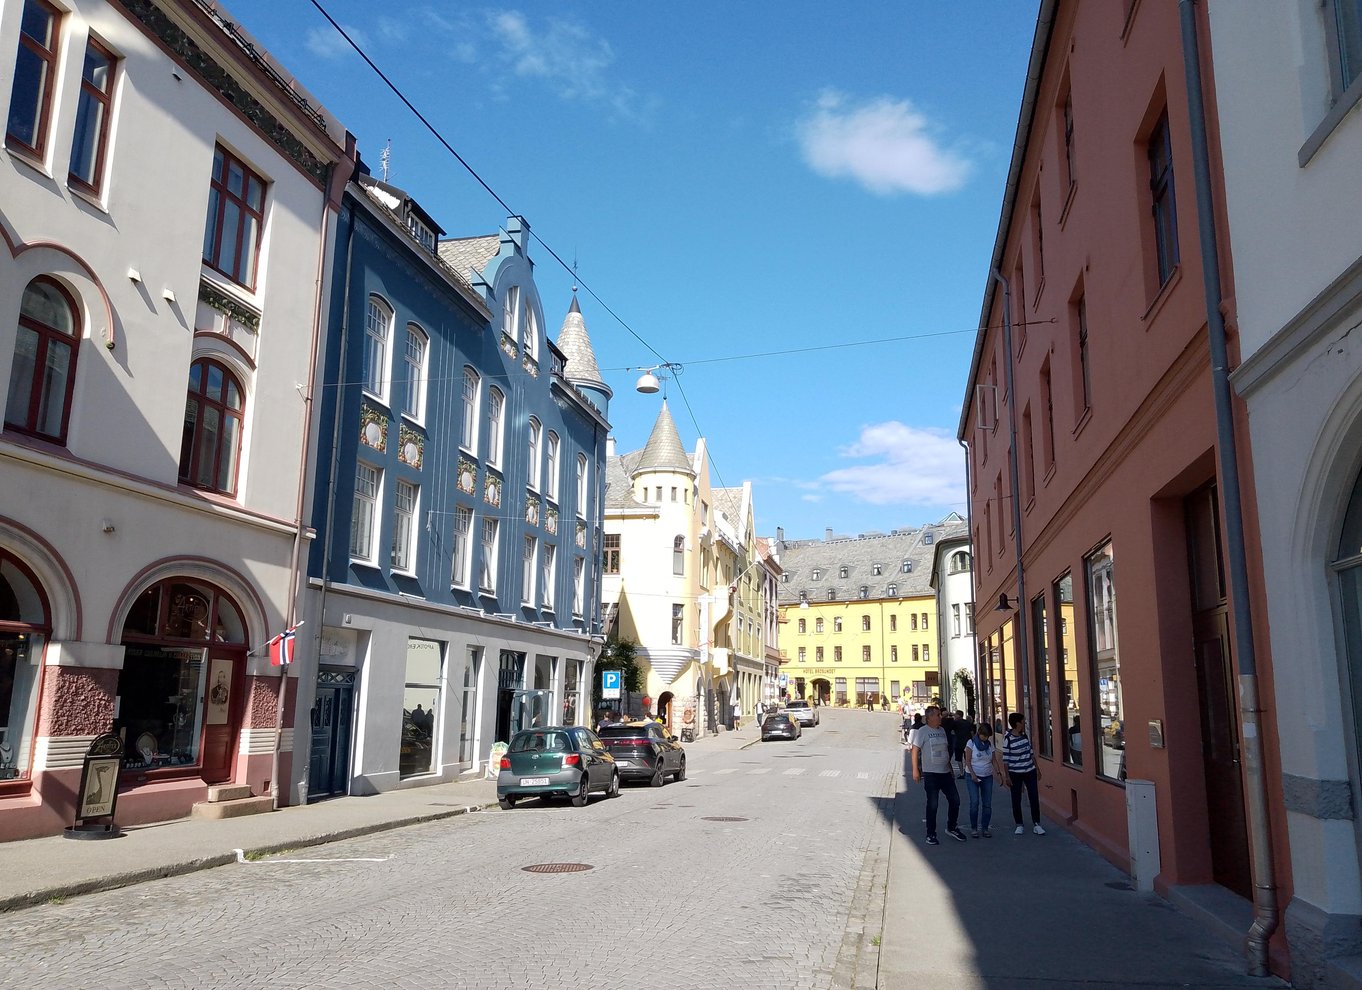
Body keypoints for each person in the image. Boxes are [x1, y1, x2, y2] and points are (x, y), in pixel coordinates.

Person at [912, 706, 966, 845]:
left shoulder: (942, 730)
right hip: (931, 774)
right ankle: (931, 834)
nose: (940, 717)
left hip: (945, 773)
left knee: (955, 800)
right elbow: (915, 750)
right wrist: (915, 770)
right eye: (937, 715)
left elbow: (944, 750)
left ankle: (952, 827)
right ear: (929, 718)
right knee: (933, 804)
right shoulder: (922, 732)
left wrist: (950, 768)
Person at [1001, 712, 1045, 835]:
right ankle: (1019, 824)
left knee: (1034, 797)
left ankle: (1037, 823)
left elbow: (1031, 754)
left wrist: (1037, 768)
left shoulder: (1025, 736)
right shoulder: (1008, 738)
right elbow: (1005, 759)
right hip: (1015, 773)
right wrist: (1007, 776)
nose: (1024, 723)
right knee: (1016, 799)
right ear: (1017, 723)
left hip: (1029, 771)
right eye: (1022, 721)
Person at [964, 722, 1002, 837]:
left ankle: (985, 828)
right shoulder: (971, 743)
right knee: (975, 802)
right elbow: (968, 761)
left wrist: (998, 772)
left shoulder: (990, 745)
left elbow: (994, 760)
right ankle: (974, 828)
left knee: (987, 804)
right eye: (984, 735)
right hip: (972, 776)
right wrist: (973, 774)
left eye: (987, 736)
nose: (985, 738)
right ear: (979, 733)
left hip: (987, 776)